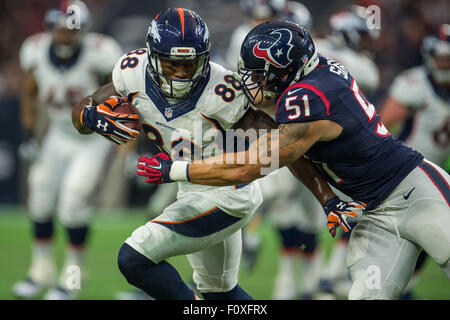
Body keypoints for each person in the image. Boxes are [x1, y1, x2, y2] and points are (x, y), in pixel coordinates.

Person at [138, 20, 450, 300]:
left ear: (285, 71)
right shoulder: (315, 75)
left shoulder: (306, 100)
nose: (252, 83)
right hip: (373, 213)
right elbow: (295, 156)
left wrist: (176, 169)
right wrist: (328, 200)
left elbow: (251, 165)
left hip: (415, 191)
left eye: (259, 75)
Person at [71, 8, 354, 300]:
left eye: (190, 64)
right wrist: (90, 118)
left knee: (133, 258)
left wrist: (327, 198)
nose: (181, 73)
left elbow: (282, 148)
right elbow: (85, 107)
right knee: (220, 293)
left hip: (226, 195)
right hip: (190, 190)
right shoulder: (131, 71)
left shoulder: (223, 91)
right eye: (171, 65)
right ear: (152, 56)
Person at [12, 0, 123, 300]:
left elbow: (121, 92)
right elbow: (30, 89)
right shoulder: (35, 50)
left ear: (83, 31)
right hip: (57, 135)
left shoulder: (99, 52)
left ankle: (73, 277)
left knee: (73, 203)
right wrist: (28, 133)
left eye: (70, 30)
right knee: (39, 197)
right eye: (59, 30)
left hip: (91, 139)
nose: (64, 36)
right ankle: (41, 271)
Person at [313, 6, 381, 298]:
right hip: (338, 150)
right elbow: (370, 80)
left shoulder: (315, 49)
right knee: (353, 210)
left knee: (307, 216)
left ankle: (323, 279)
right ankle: (328, 277)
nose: (368, 42)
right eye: (364, 35)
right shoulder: (362, 66)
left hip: (302, 141)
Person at [379, 23, 450, 299]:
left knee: (427, 234)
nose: (444, 62)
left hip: (434, 171)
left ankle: (404, 289)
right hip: (403, 170)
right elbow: (381, 126)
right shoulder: (414, 83)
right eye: (441, 56)